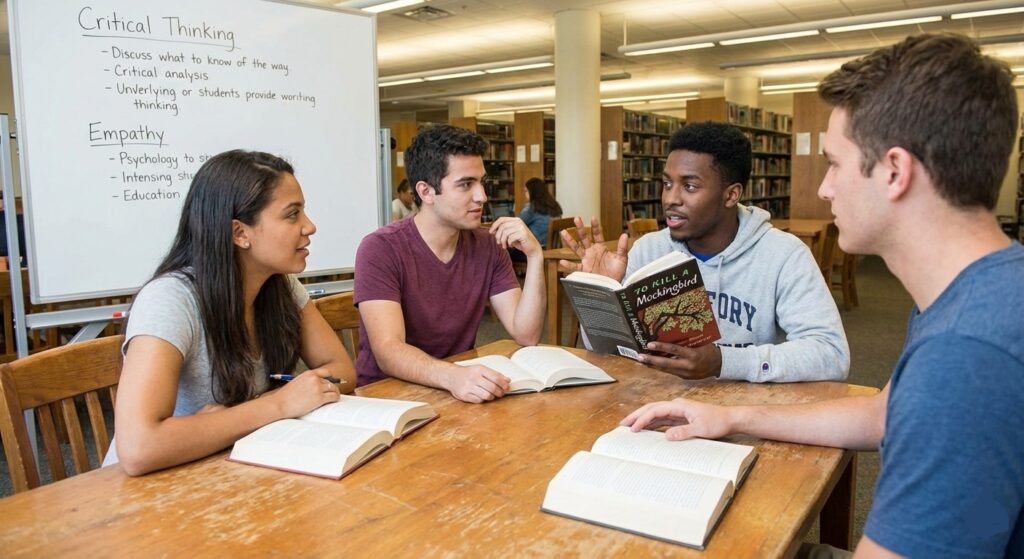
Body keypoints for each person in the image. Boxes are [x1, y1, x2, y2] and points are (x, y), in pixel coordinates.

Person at [623, 34, 1023, 558]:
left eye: (835, 164)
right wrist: (733, 417)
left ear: (895, 172)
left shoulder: (966, 353)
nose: (824, 188)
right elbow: (881, 415)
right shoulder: (982, 290)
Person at [109, 150, 356, 476]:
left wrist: (232, 418)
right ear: (240, 233)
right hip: (146, 490)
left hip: (226, 468)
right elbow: (139, 448)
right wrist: (279, 404)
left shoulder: (281, 285)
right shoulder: (170, 299)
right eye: (292, 215)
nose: (309, 226)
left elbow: (342, 371)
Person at [561, 121, 849, 382]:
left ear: (731, 195)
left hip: (741, 408)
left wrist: (724, 362)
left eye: (689, 186)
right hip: (657, 402)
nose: (671, 199)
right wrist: (599, 295)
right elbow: (607, 355)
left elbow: (831, 354)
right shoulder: (649, 249)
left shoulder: (783, 255)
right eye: (667, 184)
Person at [355, 124, 545, 402]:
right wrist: (452, 376)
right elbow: (388, 351)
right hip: (389, 398)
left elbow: (526, 335)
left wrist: (535, 256)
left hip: (457, 392)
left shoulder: (488, 245)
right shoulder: (380, 248)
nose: (482, 196)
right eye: (466, 184)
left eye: (481, 182)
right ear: (426, 192)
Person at [519, 177, 562, 248]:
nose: (525, 194)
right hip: (550, 247)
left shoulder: (531, 208)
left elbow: (517, 224)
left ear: (532, 192)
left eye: (526, 191)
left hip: (536, 248)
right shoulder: (555, 205)